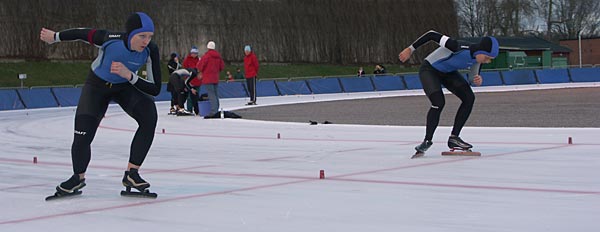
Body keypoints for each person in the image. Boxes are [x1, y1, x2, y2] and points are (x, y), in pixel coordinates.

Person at [40, 12, 161, 198]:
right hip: (97, 87)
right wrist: (55, 37)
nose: (146, 41)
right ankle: (77, 177)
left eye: (149, 36)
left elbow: (155, 89)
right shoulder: (109, 39)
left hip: (124, 86)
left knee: (149, 117)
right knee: (82, 133)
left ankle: (132, 173)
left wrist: (129, 75)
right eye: (142, 36)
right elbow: (81, 33)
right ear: (130, 34)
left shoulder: (150, 50)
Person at [398, 30, 498, 157]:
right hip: (430, 70)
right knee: (438, 102)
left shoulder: (478, 60)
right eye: (487, 58)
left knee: (469, 98)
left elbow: (472, 79)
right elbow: (431, 34)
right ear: (480, 51)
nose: (487, 61)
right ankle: (427, 140)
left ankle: (454, 138)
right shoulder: (457, 46)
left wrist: (476, 80)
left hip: (448, 73)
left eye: (490, 59)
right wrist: (411, 49)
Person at [197, 41, 224, 118]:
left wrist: (200, 72)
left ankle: (213, 111)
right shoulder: (218, 56)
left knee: (211, 94)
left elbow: (200, 65)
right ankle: (216, 109)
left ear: (208, 47)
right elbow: (222, 66)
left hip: (208, 78)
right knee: (215, 94)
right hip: (215, 78)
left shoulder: (207, 56)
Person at [183, 46, 201, 112]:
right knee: (190, 97)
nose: (194, 54)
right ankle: (189, 109)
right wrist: (185, 80)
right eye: (193, 53)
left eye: (195, 53)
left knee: (197, 96)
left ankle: (197, 110)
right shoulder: (187, 60)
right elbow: (185, 70)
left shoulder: (199, 60)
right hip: (190, 81)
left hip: (197, 81)